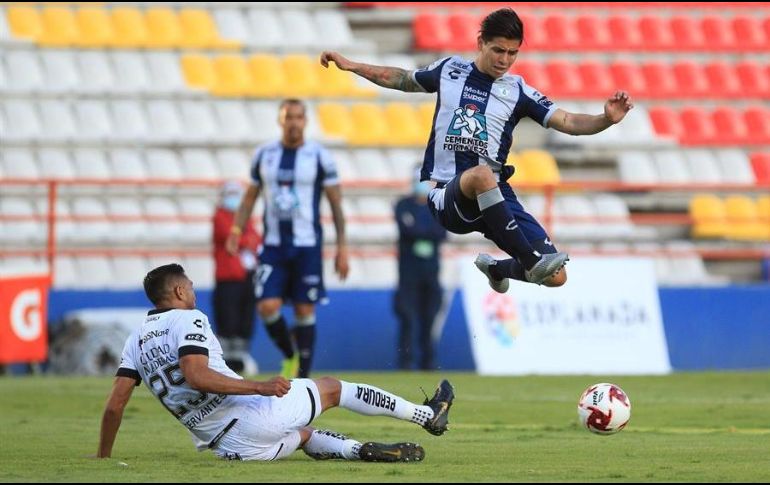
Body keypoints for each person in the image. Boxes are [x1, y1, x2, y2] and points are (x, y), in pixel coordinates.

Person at [320, 8, 634, 293]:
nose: (505, 59)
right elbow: (402, 78)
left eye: (513, 53)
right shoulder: (449, 70)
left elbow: (567, 120)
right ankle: (530, 259)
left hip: (496, 196)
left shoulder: (518, 90)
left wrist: (605, 119)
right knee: (482, 176)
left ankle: (497, 268)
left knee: (557, 276)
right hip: (447, 194)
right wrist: (352, 66)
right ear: (480, 43)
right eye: (498, 50)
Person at [96, 264, 455, 462]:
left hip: (230, 448)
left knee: (302, 435)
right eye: (188, 286)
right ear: (177, 292)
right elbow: (196, 375)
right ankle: (428, 416)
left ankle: (357, 450)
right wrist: (259, 386)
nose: (192, 291)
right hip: (251, 416)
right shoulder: (188, 319)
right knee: (332, 388)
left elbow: (115, 406)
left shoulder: (135, 338)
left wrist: (103, 458)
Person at [226, 99, 349, 379]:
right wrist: (236, 230)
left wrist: (342, 248)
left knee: (305, 309)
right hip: (273, 246)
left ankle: (302, 378)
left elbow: (336, 204)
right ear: (280, 121)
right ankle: (290, 354)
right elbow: (249, 197)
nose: (293, 122)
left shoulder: (319, 156)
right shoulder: (264, 155)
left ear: (305, 121)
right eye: (288, 117)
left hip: (307, 246)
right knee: (267, 306)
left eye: (298, 117)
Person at [393, 174, 446, 370]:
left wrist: (418, 229)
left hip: (431, 272)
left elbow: (441, 233)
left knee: (429, 317)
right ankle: (406, 362)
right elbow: (407, 230)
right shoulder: (403, 205)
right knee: (408, 317)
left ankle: (428, 362)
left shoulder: (437, 205)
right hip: (408, 272)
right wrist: (426, 231)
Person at [212, 181, 260, 374]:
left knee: (245, 320)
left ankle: (240, 359)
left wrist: (246, 240)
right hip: (228, 276)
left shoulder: (246, 218)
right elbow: (230, 236)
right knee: (228, 320)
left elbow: (257, 239)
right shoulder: (220, 216)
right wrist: (246, 240)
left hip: (247, 276)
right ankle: (226, 361)